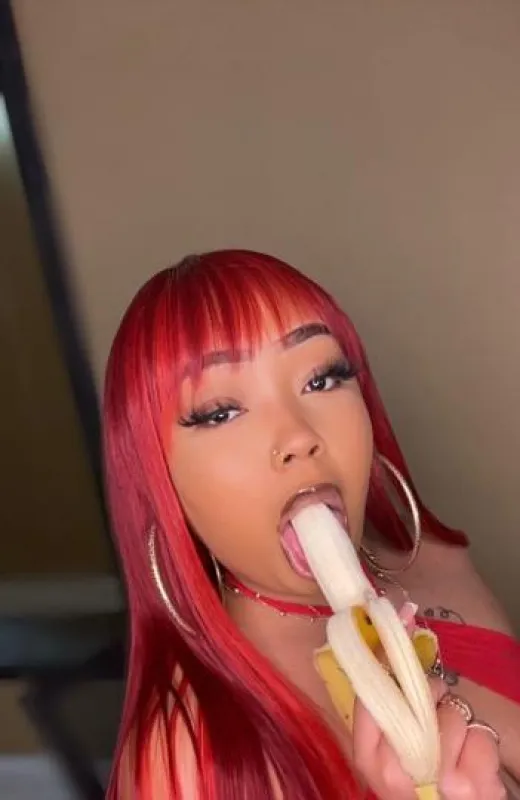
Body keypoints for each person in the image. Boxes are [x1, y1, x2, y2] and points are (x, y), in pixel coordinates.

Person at [103, 250, 519, 799]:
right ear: (160, 479)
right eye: (220, 412)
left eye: (323, 379)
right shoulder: (186, 758)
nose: (298, 436)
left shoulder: (441, 564)